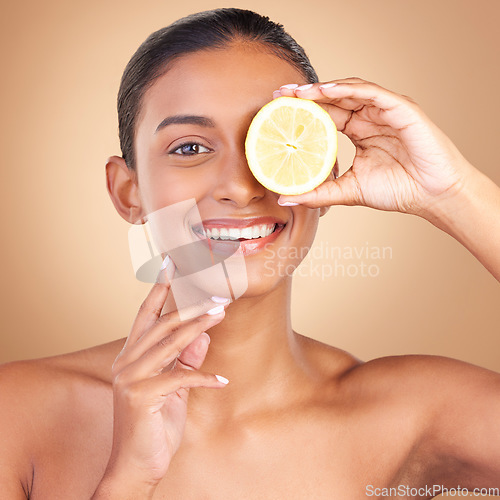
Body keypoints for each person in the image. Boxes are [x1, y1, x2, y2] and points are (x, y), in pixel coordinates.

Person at [1, 7, 499, 499]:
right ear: (128, 192)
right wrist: (128, 480)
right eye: (191, 148)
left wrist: (452, 194)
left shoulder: (411, 418)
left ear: (323, 176)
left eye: (276, 141)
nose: (240, 188)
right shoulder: (16, 413)